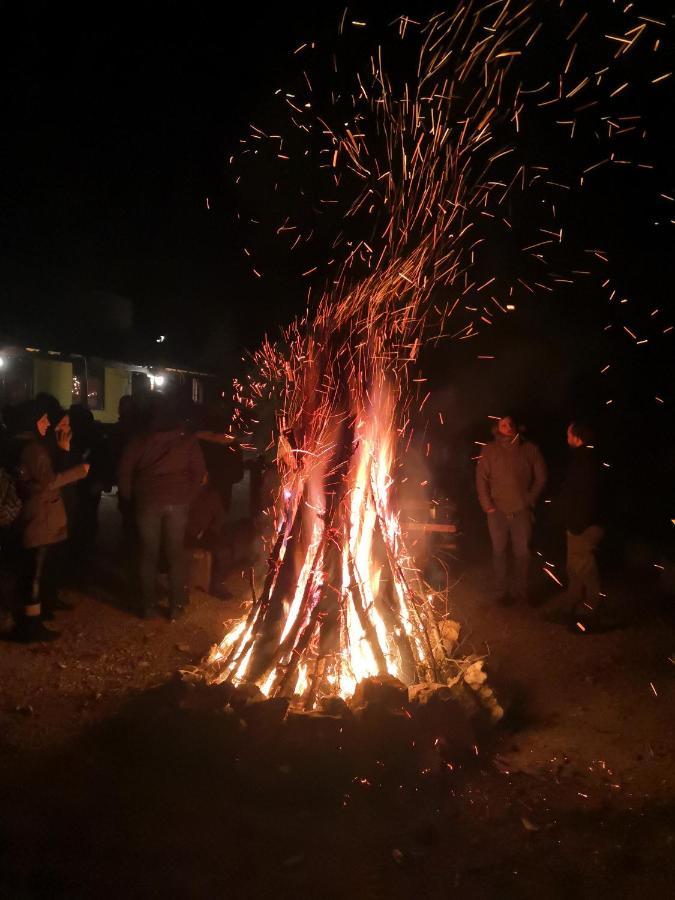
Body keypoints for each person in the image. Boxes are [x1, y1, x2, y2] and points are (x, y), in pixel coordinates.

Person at [118, 393, 206, 619]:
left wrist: (129, 498)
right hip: (177, 502)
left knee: (148, 554)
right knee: (175, 553)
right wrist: (189, 496)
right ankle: (176, 606)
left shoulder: (140, 439)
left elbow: (124, 471)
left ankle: (148, 607)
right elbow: (198, 473)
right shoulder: (187, 440)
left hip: (148, 502)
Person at [8, 397, 89, 642]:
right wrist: (79, 471)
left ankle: (34, 617)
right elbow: (48, 481)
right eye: (43, 419)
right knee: (34, 570)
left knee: (35, 568)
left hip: (38, 514)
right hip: (39, 516)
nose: (47, 424)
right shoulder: (34, 449)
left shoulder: (28, 445)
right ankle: (30, 625)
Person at [476, 414, 547, 604]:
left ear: (515, 426)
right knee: (499, 552)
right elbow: (481, 479)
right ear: (497, 428)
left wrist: (529, 499)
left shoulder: (529, 449)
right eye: (503, 425)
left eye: (510, 424)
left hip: (521, 511)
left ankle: (520, 592)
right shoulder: (489, 450)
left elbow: (541, 477)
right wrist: (487, 505)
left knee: (522, 554)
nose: (507, 427)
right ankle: (500, 592)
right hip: (497, 512)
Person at [559, 421, 605, 628]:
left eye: (568, 434)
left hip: (584, 525)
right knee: (573, 565)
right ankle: (573, 598)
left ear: (577, 438)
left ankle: (592, 604)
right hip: (577, 522)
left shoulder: (586, 461)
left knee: (584, 566)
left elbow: (588, 496)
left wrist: (579, 523)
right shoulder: (581, 458)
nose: (566, 438)